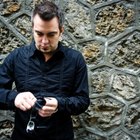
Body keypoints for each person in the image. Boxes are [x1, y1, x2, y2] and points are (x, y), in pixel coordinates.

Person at [0, 1, 90, 140]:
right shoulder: (16, 57)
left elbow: (82, 101)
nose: (44, 41)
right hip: (23, 136)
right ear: (32, 28)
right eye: (39, 33)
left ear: (61, 31)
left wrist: (59, 104)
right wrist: (15, 98)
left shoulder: (75, 59)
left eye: (51, 34)